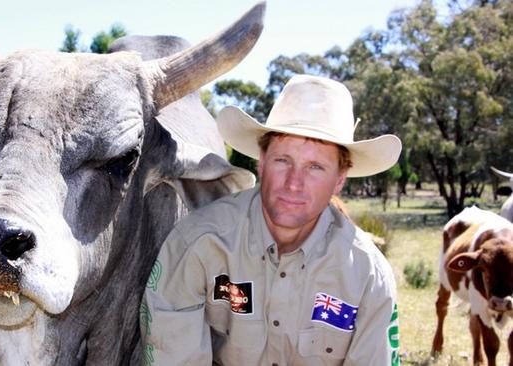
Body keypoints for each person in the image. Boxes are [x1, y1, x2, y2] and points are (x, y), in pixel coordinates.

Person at [140, 74, 402, 366]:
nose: (294, 183)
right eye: (282, 161)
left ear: (339, 180)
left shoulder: (368, 275)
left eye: (315, 167)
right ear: (261, 162)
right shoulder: (196, 244)